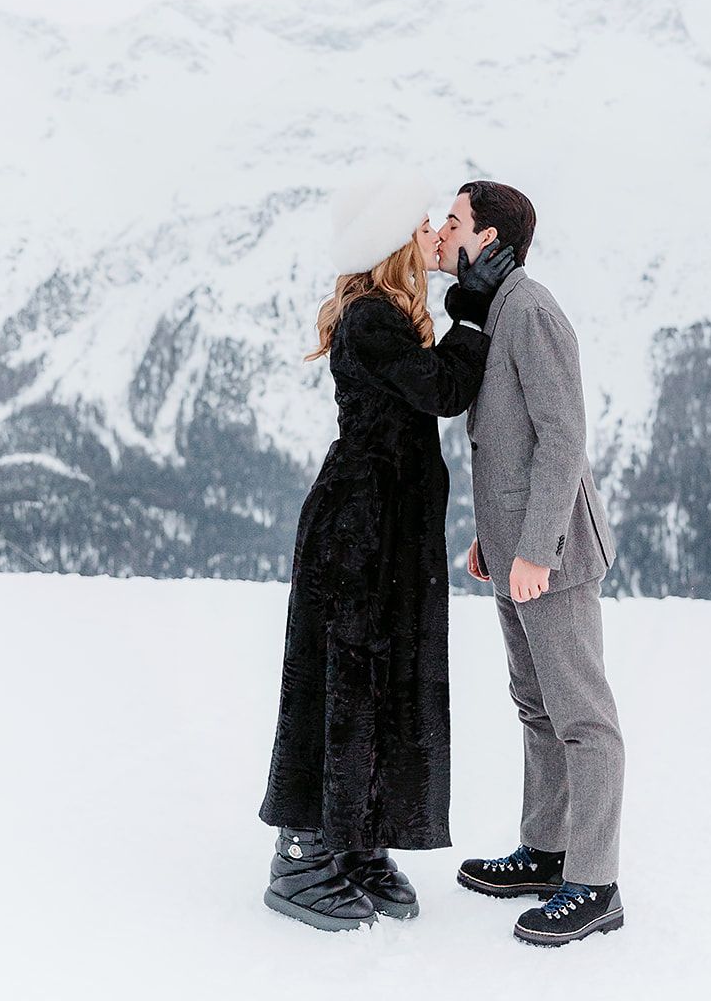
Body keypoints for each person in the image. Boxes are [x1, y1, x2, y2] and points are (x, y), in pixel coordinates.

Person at [258, 169, 516, 932]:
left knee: (383, 678)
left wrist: (460, 303)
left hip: (389, 530)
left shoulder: (387, 313)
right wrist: (472, 303)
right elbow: (442, 390)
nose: (439, 232)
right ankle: (301, 854)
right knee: (342, 676)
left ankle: (357, 838)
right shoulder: (372, 316)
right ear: (399, 242)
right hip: (357, 531)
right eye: (427, 224)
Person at [437, 180, 627, 948]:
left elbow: (561, 440)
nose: (441, 231)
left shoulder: (533, 311)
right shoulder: (495, 307)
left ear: (485, 238)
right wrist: (496, 536)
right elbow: (506, 442)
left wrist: (537, 549)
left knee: (583, 718)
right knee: (535, 706)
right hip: (517, 548)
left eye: (452, 220)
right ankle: (546, 852)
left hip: (552, 557)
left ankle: (594, 883)